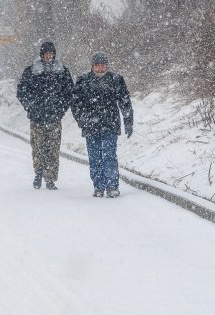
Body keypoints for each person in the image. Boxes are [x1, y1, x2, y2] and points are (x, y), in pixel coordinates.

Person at [71, 51, 133, 198]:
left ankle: (112, 186)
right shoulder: (83, 80)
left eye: (103, 66)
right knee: (94, 157)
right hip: (90, 125)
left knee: (109, 155)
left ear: (107, 66)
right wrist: (82, 119)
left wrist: (128, 121)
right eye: (98, 66)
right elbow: (75, 103)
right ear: (93, 66)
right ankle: (98, 186)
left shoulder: (116, 80)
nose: (100, 68)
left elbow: (125, 102)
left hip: (110, 124)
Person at [16, 41, 74, 190]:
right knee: (37, 147)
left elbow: (69, 93)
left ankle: (50, 178)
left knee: (53, 149)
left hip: (54, 117)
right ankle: (38, 172)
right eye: (47, 54)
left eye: (51, 54)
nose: (49, 56)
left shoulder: (62, 72)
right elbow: (21, 92)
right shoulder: (31, 72)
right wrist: (31, 107)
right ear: (42, 55)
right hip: (37, 118)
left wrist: (61, 109)